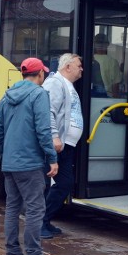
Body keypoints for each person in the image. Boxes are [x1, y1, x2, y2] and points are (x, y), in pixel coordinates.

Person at [0, 58, 60, 255]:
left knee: (13, 207)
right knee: (35, 208)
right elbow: (43, 130)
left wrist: (8, 154)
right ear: (40, 74)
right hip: (30, 162)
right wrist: (52, 158)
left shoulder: (7, 95)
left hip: (10, 162)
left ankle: (12, 253)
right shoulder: (39, 94)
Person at [41, 53, 84, 239]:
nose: (81, 68)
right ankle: (40, 223)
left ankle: (45, 220)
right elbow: (47, 111)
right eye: (79, 65)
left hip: (67, 144)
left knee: (64, 183)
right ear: (68, 67)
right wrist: (54, 136)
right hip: (58, 144)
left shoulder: (69, 85)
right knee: (50, 184)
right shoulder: (55, 83)